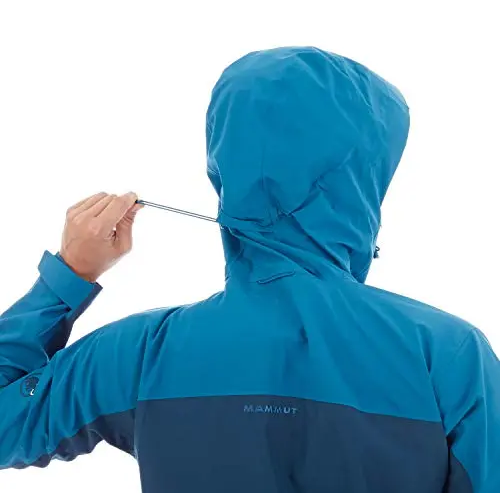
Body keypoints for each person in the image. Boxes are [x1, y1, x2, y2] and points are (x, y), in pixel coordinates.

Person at [0, 46, 498, 493]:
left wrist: (68, 276)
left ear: (224, 171)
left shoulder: (139, 354)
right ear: (365, 180)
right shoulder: (446, 354)